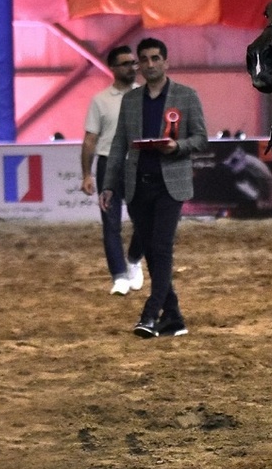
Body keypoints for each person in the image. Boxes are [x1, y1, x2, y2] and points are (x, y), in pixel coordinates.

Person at [100, 37, 208, 338]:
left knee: (160, 247)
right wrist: (109, 185)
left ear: (166, 62)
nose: (149, 64)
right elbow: (118, 144)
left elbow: (201, 138)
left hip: (170, 185)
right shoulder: (130, 101)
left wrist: (177, 146)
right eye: (143, 59)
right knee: (151, 250)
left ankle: (150, 314)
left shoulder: (186, 96)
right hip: (137, 186)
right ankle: (174, 318)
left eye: (155, 58)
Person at [81, 45, 145, 296]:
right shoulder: (100, 101)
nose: (133, 67)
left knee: (145, 221)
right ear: (113, 68)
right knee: (111, 223)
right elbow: (90, 139)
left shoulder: (146, 95)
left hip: (140, 163)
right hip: (109, 164)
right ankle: (118, 276)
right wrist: (87, 173)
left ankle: (133, 259)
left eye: (133, 63)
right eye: (126, 63)